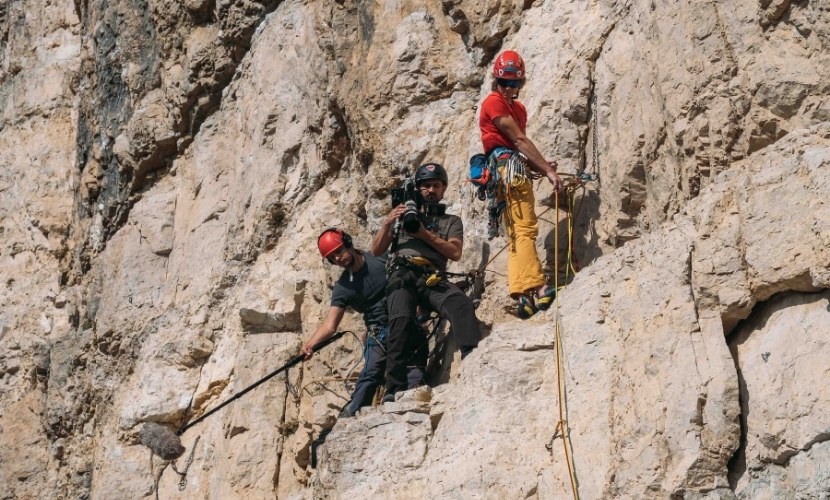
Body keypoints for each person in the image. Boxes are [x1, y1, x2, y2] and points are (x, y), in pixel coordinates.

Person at [371, 162, 481, 401]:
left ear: (443, 189)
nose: (431, 190)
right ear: (417, 189)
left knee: (460, 303)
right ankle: (394, 388)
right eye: (426, 186)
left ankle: (473, 356)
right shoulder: (402, 217)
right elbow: (376, 249)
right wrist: (388, 222)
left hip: (431, 276)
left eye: (436, 186)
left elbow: (455, 252)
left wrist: (423, 234)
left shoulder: (451, 221)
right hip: (401, 273)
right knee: (400, 322)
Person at [478, 49, 563, 319]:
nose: (508, 88)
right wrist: (547, 170)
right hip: (508, 171)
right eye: (504, 82)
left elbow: (518, 147)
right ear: (496, 81)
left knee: (516, 232)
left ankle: (523, 295)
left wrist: (539, 164)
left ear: (520, 83)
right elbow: (518, 141)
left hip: (510, 168)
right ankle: (539, 287)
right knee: (525, 228)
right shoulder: (493, 102)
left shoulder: (519, 109)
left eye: (513, 83)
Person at [301, 228, 388, 417]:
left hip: (403, 316)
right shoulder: (342, 287)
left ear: (348, 243)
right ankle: (350, 414)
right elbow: (330, 325)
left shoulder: (379, 257)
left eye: (339, 251)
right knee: (372, 371)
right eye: (332, 258)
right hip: (379, 331)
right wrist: (310, 344)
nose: (337, 259)